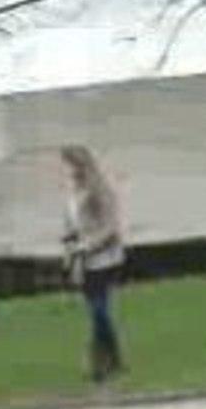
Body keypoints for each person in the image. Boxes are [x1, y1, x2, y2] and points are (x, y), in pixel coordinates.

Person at [61, 144, 127, 382]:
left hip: (104, 257)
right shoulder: (73, 192)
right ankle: (114, 359)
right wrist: (69, 247)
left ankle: (98, 362)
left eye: (70, 164)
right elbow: (71, 225)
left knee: (99, 310)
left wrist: (87, 247)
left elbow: (110, 226)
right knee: (96, 310)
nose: (68, 170)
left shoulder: (99, 188)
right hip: (83, 261)